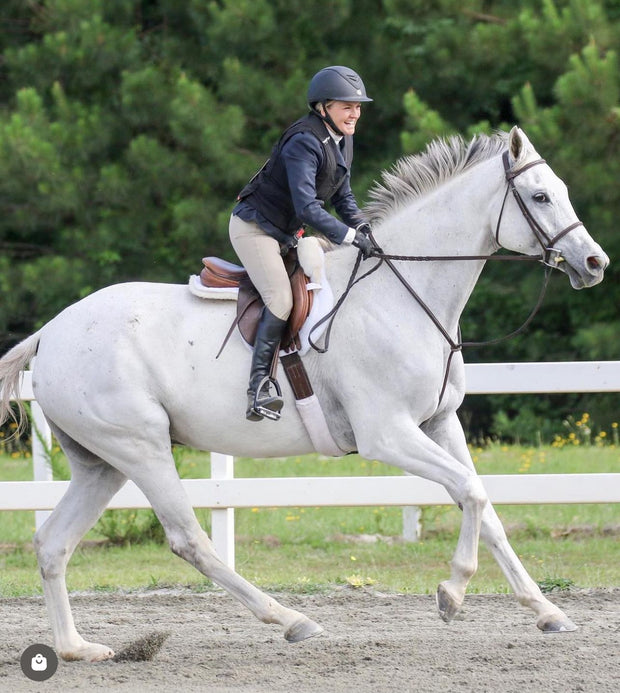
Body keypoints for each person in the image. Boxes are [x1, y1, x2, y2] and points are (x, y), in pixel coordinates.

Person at [230, 65, 375, 422]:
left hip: (287, 233)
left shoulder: (343, 138)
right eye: (347, 106)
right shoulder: (304, 141)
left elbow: (344, 197)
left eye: (358, 106)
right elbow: (307, 207)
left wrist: (366, 229)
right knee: (280, 299)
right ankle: (259, 388)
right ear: (323, 106)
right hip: (255, 229)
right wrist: (350, 237)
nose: (355, 113)